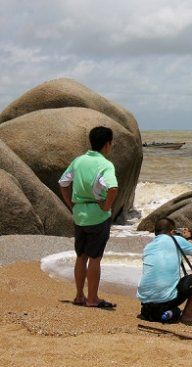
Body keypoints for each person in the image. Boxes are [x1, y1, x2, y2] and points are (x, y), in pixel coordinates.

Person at [58, 126, 118, 308]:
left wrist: (70, 205)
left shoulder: (78, 161)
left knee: (81, 256)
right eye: (111, 144)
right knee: (95, 258)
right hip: (98, 216)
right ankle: (92, 298)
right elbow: (113, 188)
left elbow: (63, 182)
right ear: (107, 144)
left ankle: (79, 296)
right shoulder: (106, 164)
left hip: (79, 215)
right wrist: (107, 206)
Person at [137, 218, 192, 322]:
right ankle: (187, 314)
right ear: (172, 231)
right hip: (164, 301)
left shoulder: (148, 247)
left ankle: (157, 311)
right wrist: (189, 238)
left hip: (146, 304)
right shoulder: (176, 240)